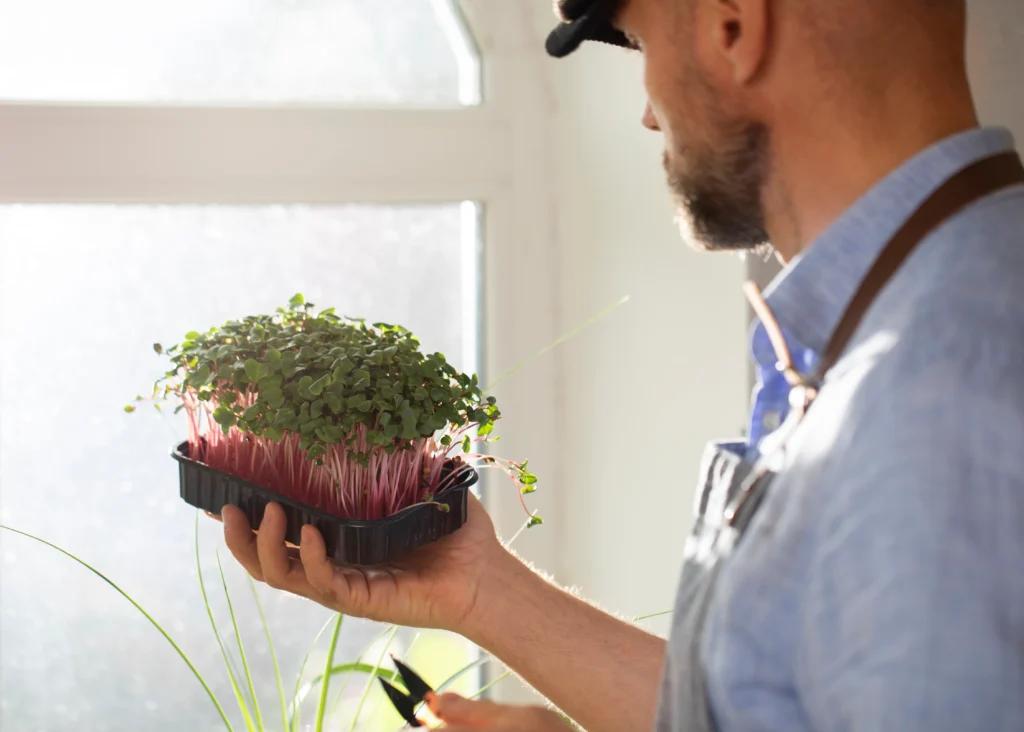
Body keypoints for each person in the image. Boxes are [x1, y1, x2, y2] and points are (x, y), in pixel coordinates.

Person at [221, 0, 1024, 729]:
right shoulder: (917, 323)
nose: (647, 111)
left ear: (734, 27)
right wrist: (481, 586)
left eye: (640, 43)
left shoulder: (934, 404)